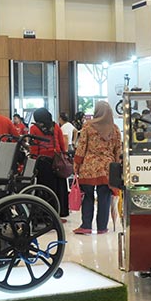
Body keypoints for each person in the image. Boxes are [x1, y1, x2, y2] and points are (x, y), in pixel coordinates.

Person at [73, 101, 121, 235]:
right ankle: (102, 227)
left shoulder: (88, 126)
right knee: (104, 197)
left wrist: (76, 164)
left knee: (88, 196)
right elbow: (118, 150)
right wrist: (117, 167)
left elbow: (81, 147)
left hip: (88, 167)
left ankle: (86, 225)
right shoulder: (115, 129)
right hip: (107, 168)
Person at [29, 108, 69, 220]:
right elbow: (61, 143)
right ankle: (60, 212)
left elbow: (34, 147)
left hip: (42, 162)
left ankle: (46, 214)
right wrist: (63, 156)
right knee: (59, 187)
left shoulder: (34, 128)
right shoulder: (55, 126)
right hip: (57, 160)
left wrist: (33, 159)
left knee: (45, 188)